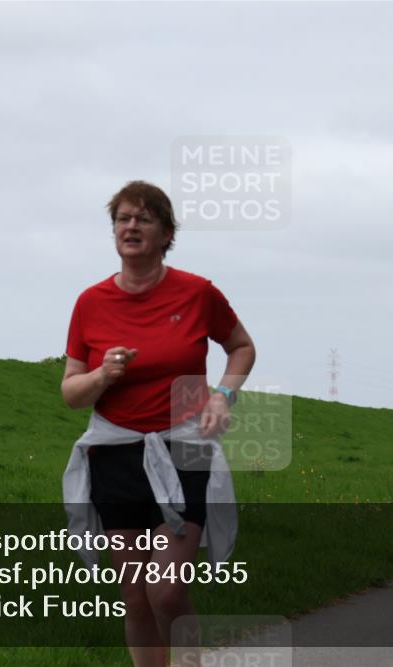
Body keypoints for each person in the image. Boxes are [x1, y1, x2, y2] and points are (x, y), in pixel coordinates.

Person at [61, 181, 256, 666]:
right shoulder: (91, 302)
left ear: (166, 233)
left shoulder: (197, 292)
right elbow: (70, 392)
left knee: (165, 591)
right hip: (115, 453)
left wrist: (222, 396)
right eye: (122, 219)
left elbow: (241, 347)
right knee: (135, 597)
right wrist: (104, 374)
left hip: (184, 447)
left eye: (143, 219)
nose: (130, 227)